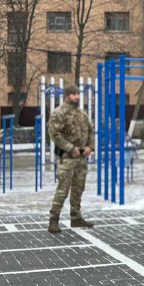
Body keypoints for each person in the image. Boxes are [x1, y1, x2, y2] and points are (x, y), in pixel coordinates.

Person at [48, 84, 94, 233]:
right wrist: (70, 148)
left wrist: (90, 147)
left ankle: (76, 217)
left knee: (78, 188)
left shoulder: (82, 114)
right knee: (63, 190)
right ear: (67, 96)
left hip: (81, 158)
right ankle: (53, 220)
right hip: (67, 158)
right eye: (74, 94)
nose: (78, 97)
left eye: (78, 94)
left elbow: (91, 131)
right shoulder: (59, 113)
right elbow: (55, 135)